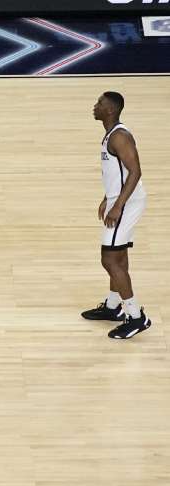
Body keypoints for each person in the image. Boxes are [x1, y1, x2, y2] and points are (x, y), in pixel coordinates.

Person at [80, 91, 153, 339]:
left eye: (99, 103)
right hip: (121, 200)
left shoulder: (119, 136)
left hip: (127, 203)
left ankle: (136, 317)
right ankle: (113, 308)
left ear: (110, 110)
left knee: (109, 259)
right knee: (118, 256)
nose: (95, 106)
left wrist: (118, 205)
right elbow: (118, 173)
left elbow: (135, 171)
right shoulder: (112, 134)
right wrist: (107, 198)